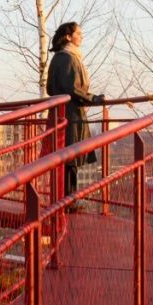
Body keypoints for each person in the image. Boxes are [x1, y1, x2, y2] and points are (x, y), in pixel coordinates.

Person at [45, 21, 104, 197]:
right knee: (69, 158)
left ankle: (67, 200)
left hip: (64, 113)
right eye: (79, 33)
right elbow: (72, 88)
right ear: (69, 37)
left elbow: (51, 88)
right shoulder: (67, 58)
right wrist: (93, 99)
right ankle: (67, 202)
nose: (82, 37)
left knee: (67, 159)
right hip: (69, 115)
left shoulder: (63, 57)